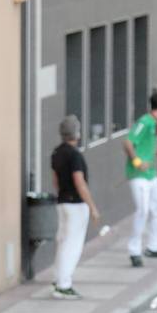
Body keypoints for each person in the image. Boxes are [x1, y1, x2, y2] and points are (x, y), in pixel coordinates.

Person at [50, 115, 100, 300]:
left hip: (62, 202)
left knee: (63, 241)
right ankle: (64, 284)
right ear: (76, 134)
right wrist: (92, 206)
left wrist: (62, 193)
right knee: (72, 245)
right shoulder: (75, 156)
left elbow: (55, 179)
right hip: (76, 205)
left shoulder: (57, 153)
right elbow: (80, 182)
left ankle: (59, 279)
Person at [122, 91, 157, 268]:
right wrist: (136, 161)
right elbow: (128, 142)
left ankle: (153, 245)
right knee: (142, 210)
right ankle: (134, 251)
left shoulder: (154, 123)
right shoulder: (144, 122)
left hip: (150, 174)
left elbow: (147, 147)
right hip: (138, 175)